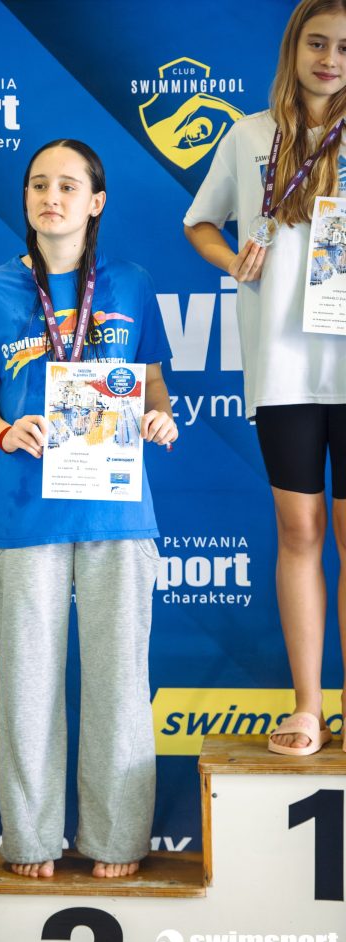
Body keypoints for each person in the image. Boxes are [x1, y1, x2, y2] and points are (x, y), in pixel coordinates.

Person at [0, 139, 177, 878]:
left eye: (69, 186)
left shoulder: (132, 284)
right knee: (26, 688)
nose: (52, 197)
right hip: (26, 513)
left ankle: (116, 838)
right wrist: (3, 430)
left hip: (116, 512)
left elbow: (151, 382)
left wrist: (159, 417)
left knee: (119, 687)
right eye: (39, 185)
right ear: (26, 199)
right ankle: (32, 838)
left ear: (96, 201)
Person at [184, 0, 346, 756]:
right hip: (282, 367)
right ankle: (309, 707)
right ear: (294, 47)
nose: (331, 59)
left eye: (345, 47)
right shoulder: (251, 135)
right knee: (299, 530)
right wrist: (232, 262)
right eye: (318, 42)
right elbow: (200, 221)